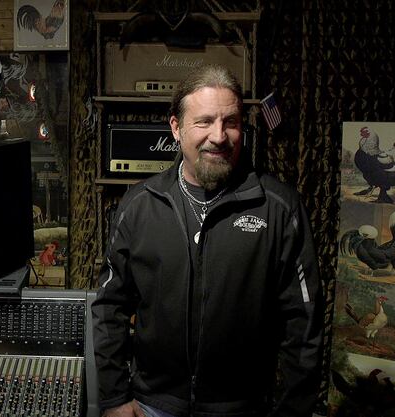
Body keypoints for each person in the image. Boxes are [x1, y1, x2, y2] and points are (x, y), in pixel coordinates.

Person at [91, 64, 323, 417]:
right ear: (176, 127)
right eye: (204, 122)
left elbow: (304, 323)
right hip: (152, 405)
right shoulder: (139, 206)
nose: (219, 135)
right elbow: (109, 307)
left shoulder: (279, 208)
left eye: (230, 122)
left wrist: (293, 409)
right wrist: (113, 397)